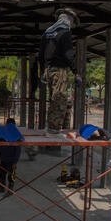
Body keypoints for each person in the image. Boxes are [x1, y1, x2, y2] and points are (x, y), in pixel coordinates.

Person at [39, 7, 82, 137]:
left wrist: (44, 70)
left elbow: (41, 54)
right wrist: (76, 72)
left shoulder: (47, 32)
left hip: (49, 70)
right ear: (69, 19)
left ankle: (51, 128)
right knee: (60, 99)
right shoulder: (65, 32)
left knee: (54, 99)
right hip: (59, 70)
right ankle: (53, 131)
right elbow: (69, 54)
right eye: (71, 21)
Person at [0, 118, 21, 197]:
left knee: (11, 175)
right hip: (4, 159)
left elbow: (18, 151)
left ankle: (10, 189)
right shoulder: (4, 134)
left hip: (11, 160)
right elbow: (1, 146)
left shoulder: (16, 136)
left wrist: (15, 162)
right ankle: (1, 187)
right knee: (1, 173)